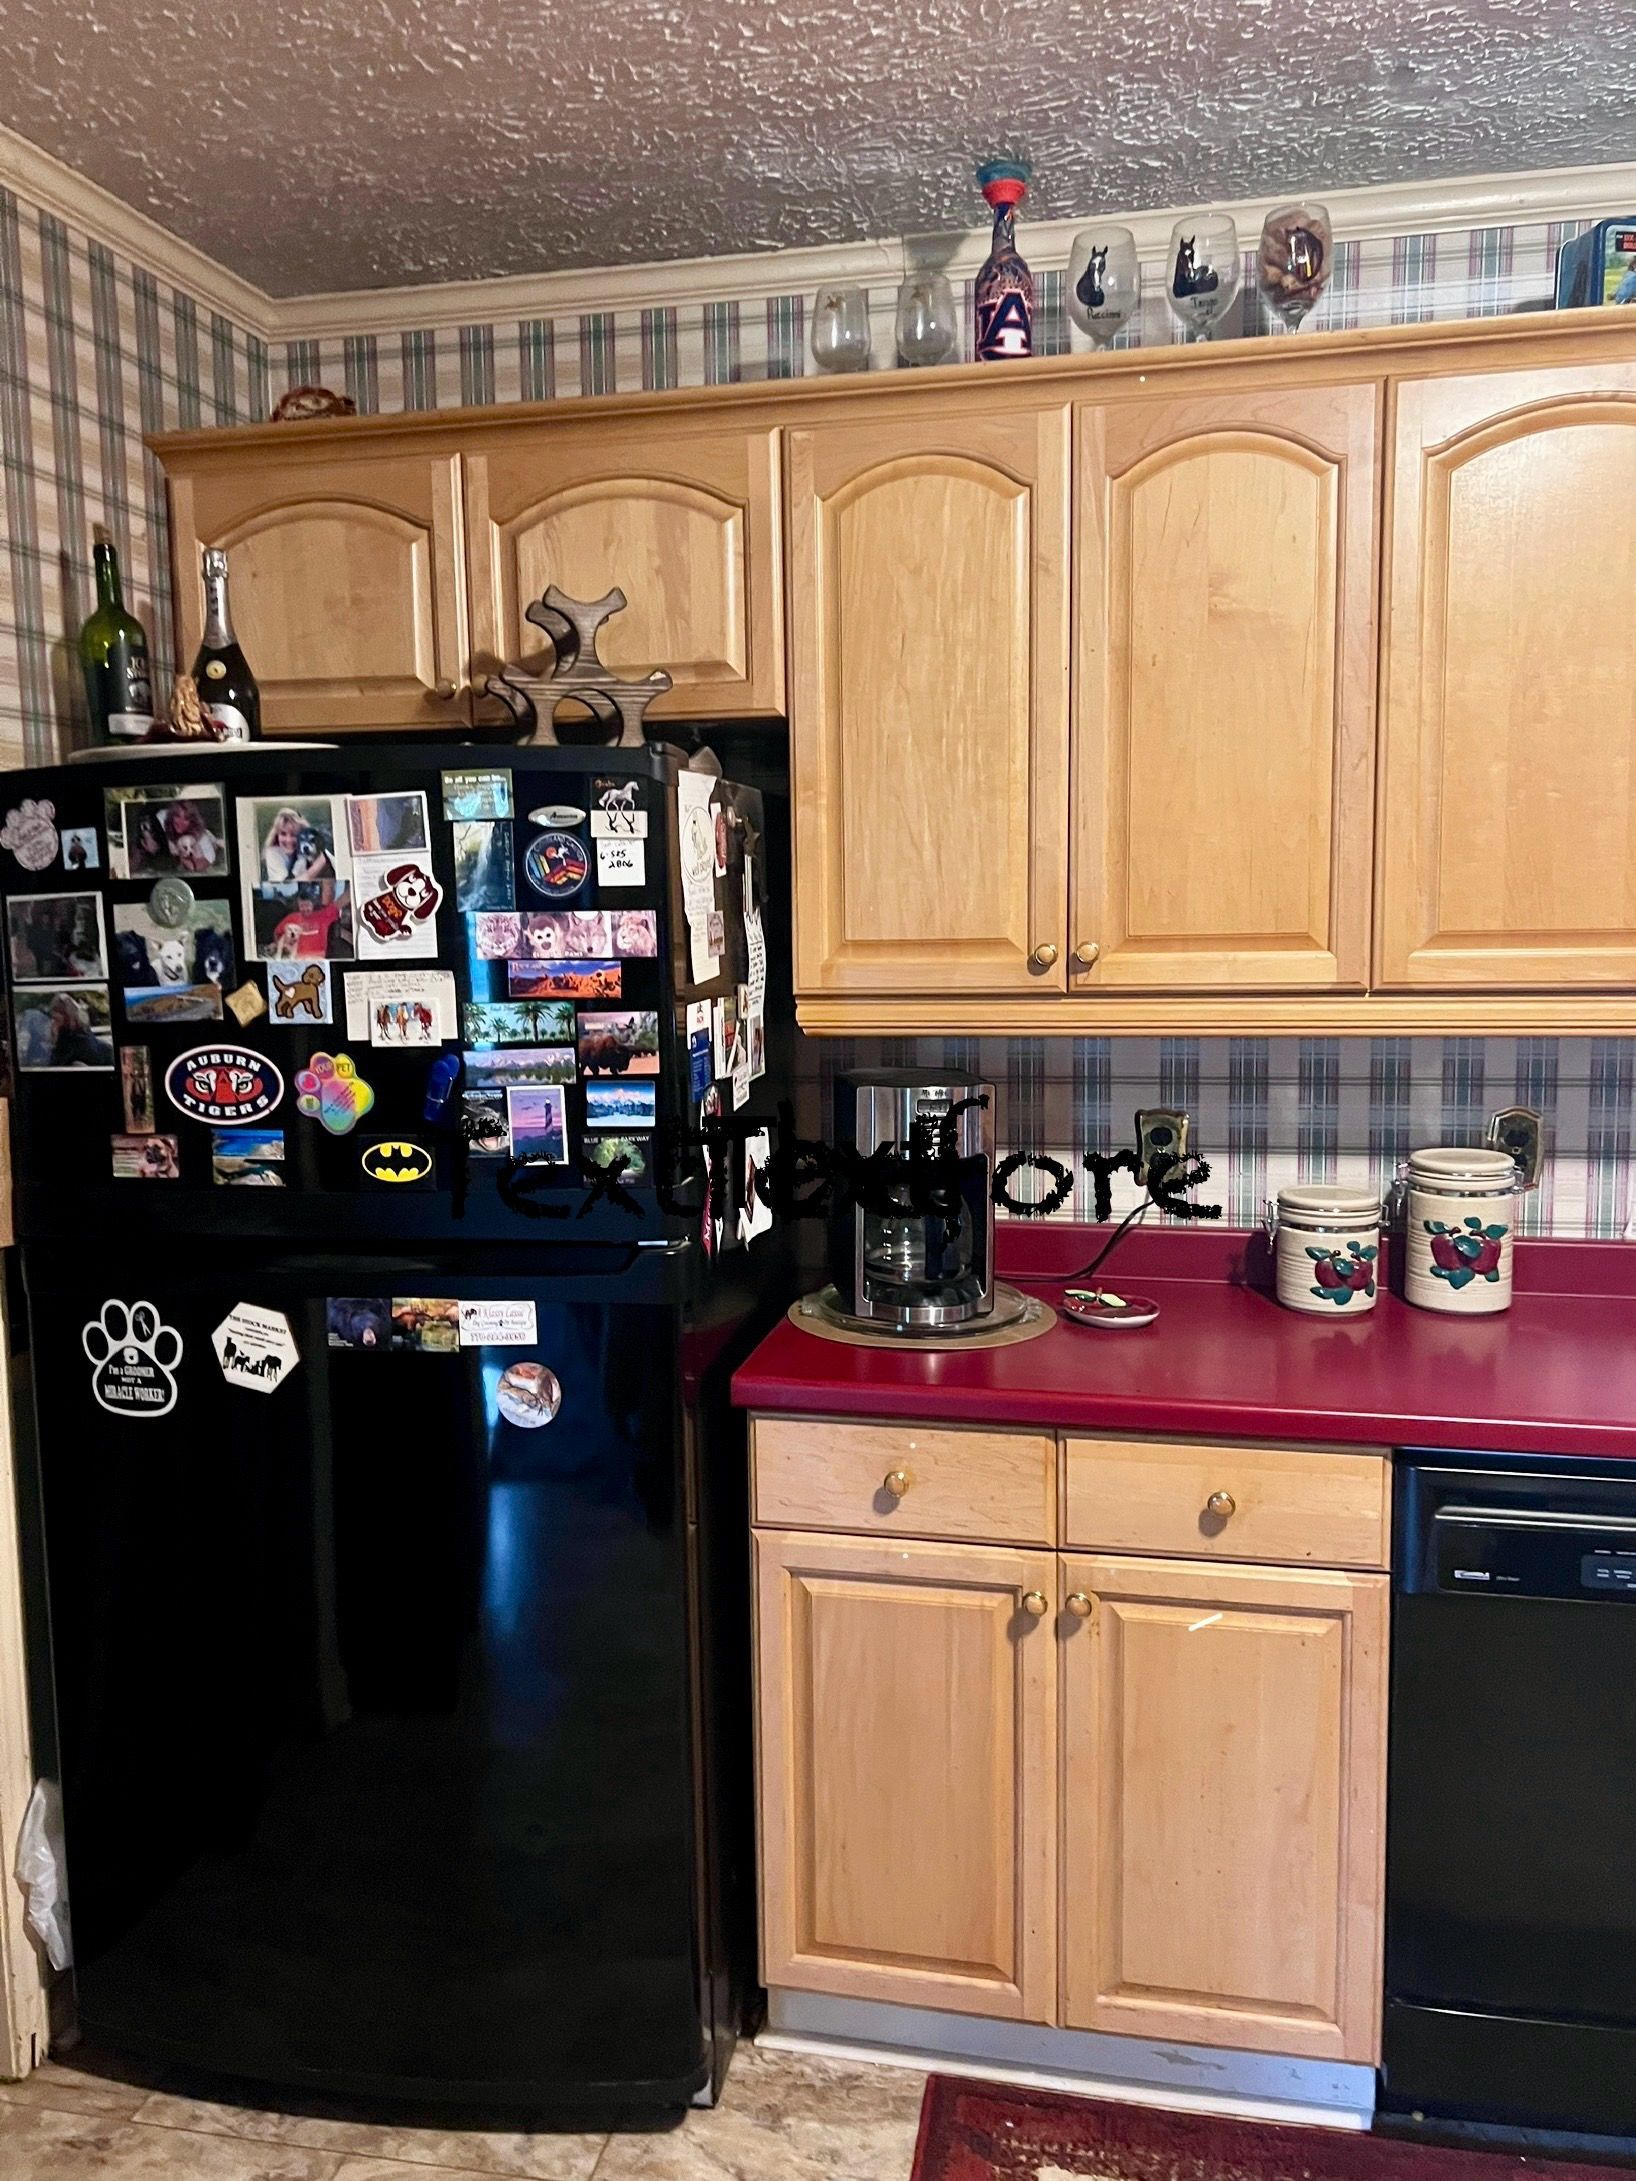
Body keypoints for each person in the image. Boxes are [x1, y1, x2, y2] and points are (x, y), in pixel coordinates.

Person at [262, 807, 332, 883]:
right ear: (276, 835)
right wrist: (317, 866)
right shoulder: (273, 853)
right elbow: (285, 887)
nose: (288, 840)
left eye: (294, 835)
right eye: (283, 834)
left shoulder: (309, 848)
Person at [49, 992, 111, 1068]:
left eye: (55, 1019)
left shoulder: (74, 1040)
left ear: (66, 1016)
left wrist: (54, 1040)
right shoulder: (77, 1031)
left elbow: (56, 1064)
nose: (52, 1022)